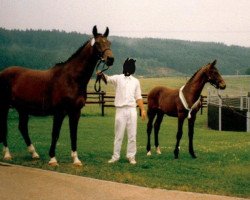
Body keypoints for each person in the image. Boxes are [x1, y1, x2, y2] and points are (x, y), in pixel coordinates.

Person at [98, 58, 146, 164]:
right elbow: (107, 79)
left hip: (132, 110)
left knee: (132, 135)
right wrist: (100, 74)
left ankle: (131, 156)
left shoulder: (135, 81)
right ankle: (116, 156)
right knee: (118, 135)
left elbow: (138, 97)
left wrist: (142, 109)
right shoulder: (118, 78)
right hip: (120, 110)